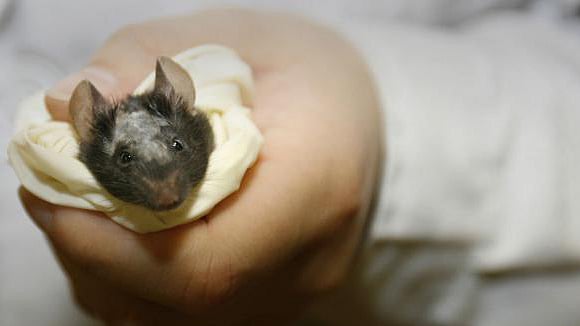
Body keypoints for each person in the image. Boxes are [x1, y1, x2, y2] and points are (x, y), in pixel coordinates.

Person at [19, 9, 383, 325]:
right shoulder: (92, 143)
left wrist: (382, 145)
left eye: (177, 145)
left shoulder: (215, 126)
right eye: (126, 158)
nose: (165, 189)